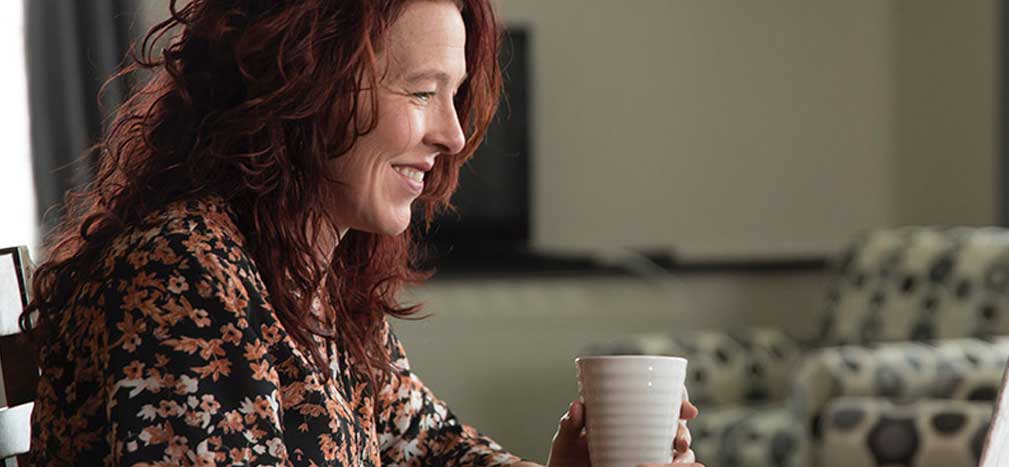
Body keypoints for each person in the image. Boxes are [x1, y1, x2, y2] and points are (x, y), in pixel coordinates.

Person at [22, 1, 700, 466]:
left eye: (454, 94)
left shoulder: (315, 281)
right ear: (304, 84)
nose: (454, 134)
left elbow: (432, 448)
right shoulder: (181, 277)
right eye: (420, 91)